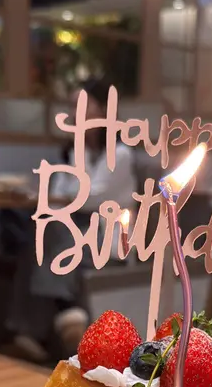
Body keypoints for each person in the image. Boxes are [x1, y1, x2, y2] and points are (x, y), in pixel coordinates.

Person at [7, 77, 136, 360]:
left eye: (82, 105)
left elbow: (89, 196)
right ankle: (50, 324)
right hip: (75, 228)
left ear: (103, 110)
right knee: (38, 237)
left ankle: (47, 320)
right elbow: (58, 192)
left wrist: (67, 186)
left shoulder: (121, 153)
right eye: (72, 105)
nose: (75, 112)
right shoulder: (73, 151)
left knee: (52, 232)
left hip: (106, 234)